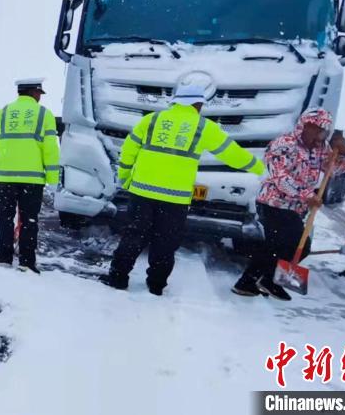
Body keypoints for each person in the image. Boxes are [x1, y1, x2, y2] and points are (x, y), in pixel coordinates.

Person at [100, 74, 265, 296]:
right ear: (197, 104)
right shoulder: (202, 126)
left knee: (134, 235)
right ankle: (156, 285)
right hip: (174, 197)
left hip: (142, 190)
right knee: (165, 241)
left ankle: (118, 278)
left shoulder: (153, 119)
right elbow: (232, 153)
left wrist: (126, 176)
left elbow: (130, 149)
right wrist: (260, 169)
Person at [232, 109, 345, 301]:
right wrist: (306, 196)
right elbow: (280, 178)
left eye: (323, 130)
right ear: (303, 126)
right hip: (273, 202)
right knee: (298, 246)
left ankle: (248, 283)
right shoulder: (284, 144)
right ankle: (267, 280)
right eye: (314, 128)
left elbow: (334, 169)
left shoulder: (321, 148)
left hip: (295, 207)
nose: (319, 134)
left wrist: (343, 154)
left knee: (275, 246)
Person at [0, 78, 60, 274]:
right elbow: (51, 149)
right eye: (39, 94)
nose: (40, 98)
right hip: (31, 178)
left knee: (5, 217)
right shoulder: (44, 114)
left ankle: (4, 256)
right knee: (29, 220)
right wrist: (53, 178)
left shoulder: (2, 113)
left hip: (5, 177)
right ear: (34, 93)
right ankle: (26, 262)